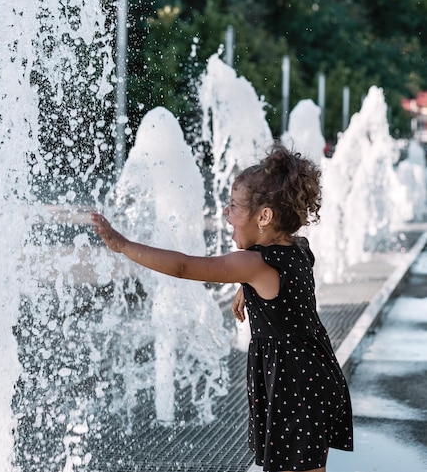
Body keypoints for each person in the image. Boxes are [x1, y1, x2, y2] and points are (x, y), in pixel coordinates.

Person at [91, 143, 353, 472]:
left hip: (295, 382)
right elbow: (287, 292)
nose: (226, 214)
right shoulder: (297, 249)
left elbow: (186, 267)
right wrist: (248, 289)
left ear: (264, 217)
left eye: (232, 207)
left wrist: (124, 246)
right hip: (315, 372)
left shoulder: (255, 264)